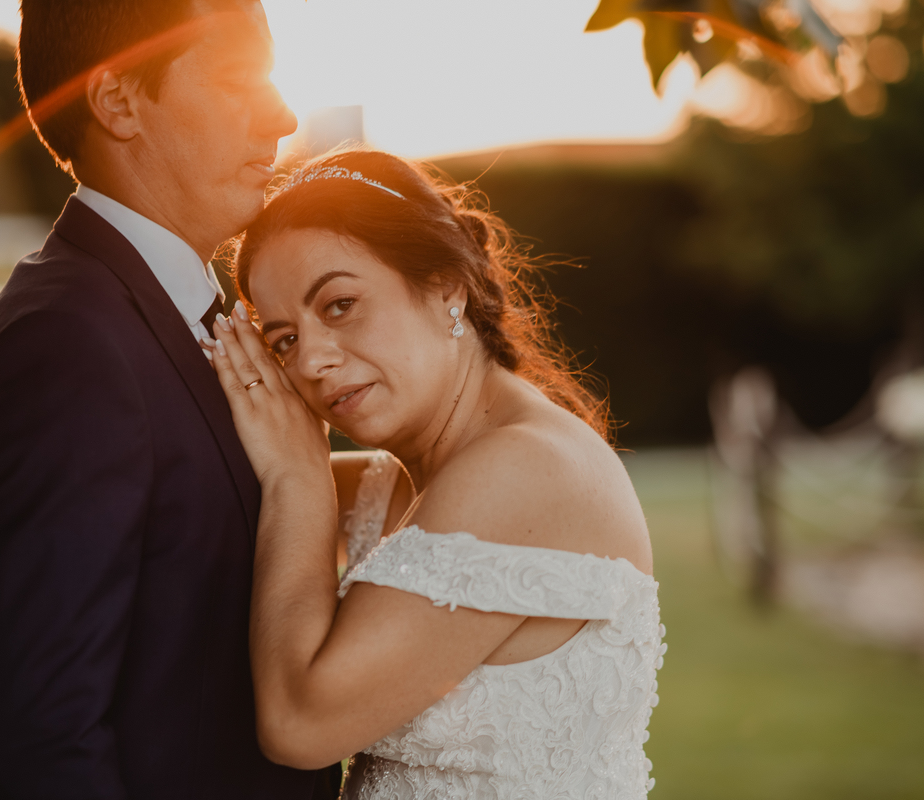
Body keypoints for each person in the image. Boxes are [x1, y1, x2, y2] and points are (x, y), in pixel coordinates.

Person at [0, 1, 339, 797]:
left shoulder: (181, 316)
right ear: (119, 101)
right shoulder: (63, 347)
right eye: (238, 80)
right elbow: (37, 748)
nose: (284, 117)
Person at [203, 148, 666, 799]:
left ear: (446, 285)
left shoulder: (524, 467)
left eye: (339, 305)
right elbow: (207, 500)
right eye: (284, 340)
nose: (310, 362)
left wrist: (296, 477)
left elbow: (299, 723)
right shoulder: (393, 487)